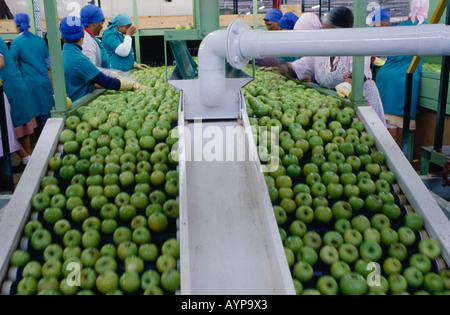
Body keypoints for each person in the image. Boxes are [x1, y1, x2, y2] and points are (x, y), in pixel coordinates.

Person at [280, 6, 386, 125]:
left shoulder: (357, 47)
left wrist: (346, 85)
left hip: (363, 107)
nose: (325, 35)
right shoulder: (322, 52)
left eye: (329, 31)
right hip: (340, 110)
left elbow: (358, 75)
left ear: (343, 31)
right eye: (323, 30)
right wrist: (277, 67)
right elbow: (297, 67)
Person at [59, 16, 148, 102]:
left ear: (62, 37)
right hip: (78, 104)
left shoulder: (60, 57)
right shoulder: (80, 60)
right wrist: (132, 84)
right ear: (83, 34)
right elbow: (106, 82)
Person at [375, 0, 429, 141]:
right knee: (393, 126)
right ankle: (393, 159)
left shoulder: (401, 26)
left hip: (385, 76)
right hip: (401, 81)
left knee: (384, 123)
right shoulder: (425, 28)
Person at [10, 13, 55, 128]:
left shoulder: (16, 42)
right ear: (29, 24)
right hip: (44, 83)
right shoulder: (40, 41)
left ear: (16, 26)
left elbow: (12, 65)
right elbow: (49, 64)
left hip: (29, 85)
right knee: (47, 118)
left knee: (32, 120)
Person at [0, 39, 36, 167]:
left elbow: (1, 62)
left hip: (7, 86)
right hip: (17, 82)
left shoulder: (17, 42)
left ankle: (26, 157)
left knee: (9, 129)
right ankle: (27, 159)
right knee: (22, 126)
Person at [80, 4, 109, 70]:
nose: (102, 27)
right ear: (94, 23)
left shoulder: (90, 37)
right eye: (101, 23)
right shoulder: (86, 41)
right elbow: (90, 70)